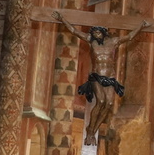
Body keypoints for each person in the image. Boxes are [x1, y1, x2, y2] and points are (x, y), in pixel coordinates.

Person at [52, 11, 148, 145]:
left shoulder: (113, 42)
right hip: (96, 76)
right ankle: (90, 129)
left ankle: (93, 131)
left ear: (103, 33)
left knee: (108, 104)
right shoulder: (91, 42)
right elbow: (74, 31)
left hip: (110, 76)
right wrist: (62, 18)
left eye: (98, 32)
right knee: (101, 100)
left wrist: (142, 26)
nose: (96, 35)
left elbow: (130, 36)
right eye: (94, 33)